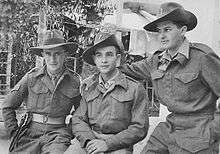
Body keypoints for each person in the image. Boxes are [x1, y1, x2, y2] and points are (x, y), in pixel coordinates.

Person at [120, 2, 220, 154]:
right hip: (169, 127)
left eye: (167, 29)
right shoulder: (156, 61)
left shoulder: (202, 57)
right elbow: (126, 70)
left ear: (182, 30)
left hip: (199, 131)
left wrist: (215, 129)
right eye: (159, 31)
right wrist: (102, 68)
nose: (162, 36)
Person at [65, 32, 149, 154]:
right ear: (94, 59)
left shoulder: (135, 88)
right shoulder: (90, 87)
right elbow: (78, 119)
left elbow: (139, 128)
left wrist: (108, 144)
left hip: (118, 144)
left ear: (118, 59)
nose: (104, 60)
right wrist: (89, 141)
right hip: (90, 140)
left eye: (109, 55)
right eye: (99, 55)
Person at [2, 29, 82, 154]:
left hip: (58, 134)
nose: (52, 59)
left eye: (57, 54)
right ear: (43, 55)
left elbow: (81, 113)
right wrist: (14, 132)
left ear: (65, 54)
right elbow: (8, 106)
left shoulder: (75, 81)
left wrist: (69, 131)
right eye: (48, 54)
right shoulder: (31, 77)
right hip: (30, 133)